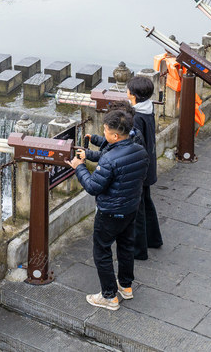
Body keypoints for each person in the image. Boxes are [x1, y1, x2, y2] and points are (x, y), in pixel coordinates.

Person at [68, 110, 148, 312]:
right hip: (131, 208)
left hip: (110, 212)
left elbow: (93, 187)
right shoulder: (140, 150)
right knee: (126, 247)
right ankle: (126, 286)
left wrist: (79, 167)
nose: (103, 133)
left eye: (105, 131)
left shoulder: (110, 159)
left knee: (102, 252)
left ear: (115, 136)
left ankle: (109, 296)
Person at [127, 76, 162, 260]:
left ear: (133, 95)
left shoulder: (136, 118)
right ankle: (154, 239)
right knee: (146, 202)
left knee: (137, 209)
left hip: (140, 168)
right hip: (149, 164)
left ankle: (138, 250)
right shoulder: (148, 109)